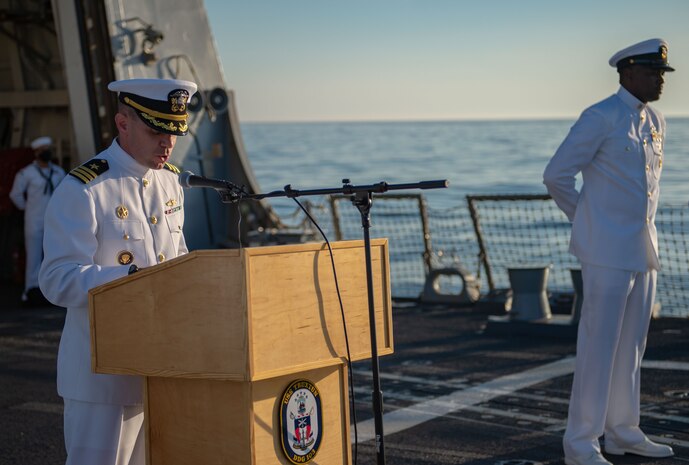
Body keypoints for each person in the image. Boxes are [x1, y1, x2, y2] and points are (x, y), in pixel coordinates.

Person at [39, 78, 197, 465]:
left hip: (159, 369)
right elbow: (56, 279)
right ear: (123, 124)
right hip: (101, 378)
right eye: (156, 130)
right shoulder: (85, 188)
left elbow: (178, 258)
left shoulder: (172, 182)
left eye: (174, 131)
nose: (168, 143)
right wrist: (127, 282)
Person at [543, 39, 675, 465]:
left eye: (661, 73)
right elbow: (556, 175)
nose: (660, 80)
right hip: (605, 250)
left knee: (631, 348)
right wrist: (588, 219)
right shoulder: (599, 116)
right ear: (628, 73)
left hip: (642, 248)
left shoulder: (655, 119)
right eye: (653, 73)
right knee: (599, 348)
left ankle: (623, 431)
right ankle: (581, 443)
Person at [9, 136, 66, 305]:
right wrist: (27, 208)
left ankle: (52, 291)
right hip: (34, 219)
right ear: (36, 153)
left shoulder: (58, 172)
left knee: (54, 254)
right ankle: (30, 290)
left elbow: (65, 193)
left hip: (54, 220)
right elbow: (15, 194)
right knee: (34, 256)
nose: (47, 152)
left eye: (49, 149)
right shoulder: (27, 173)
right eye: (43, 150)